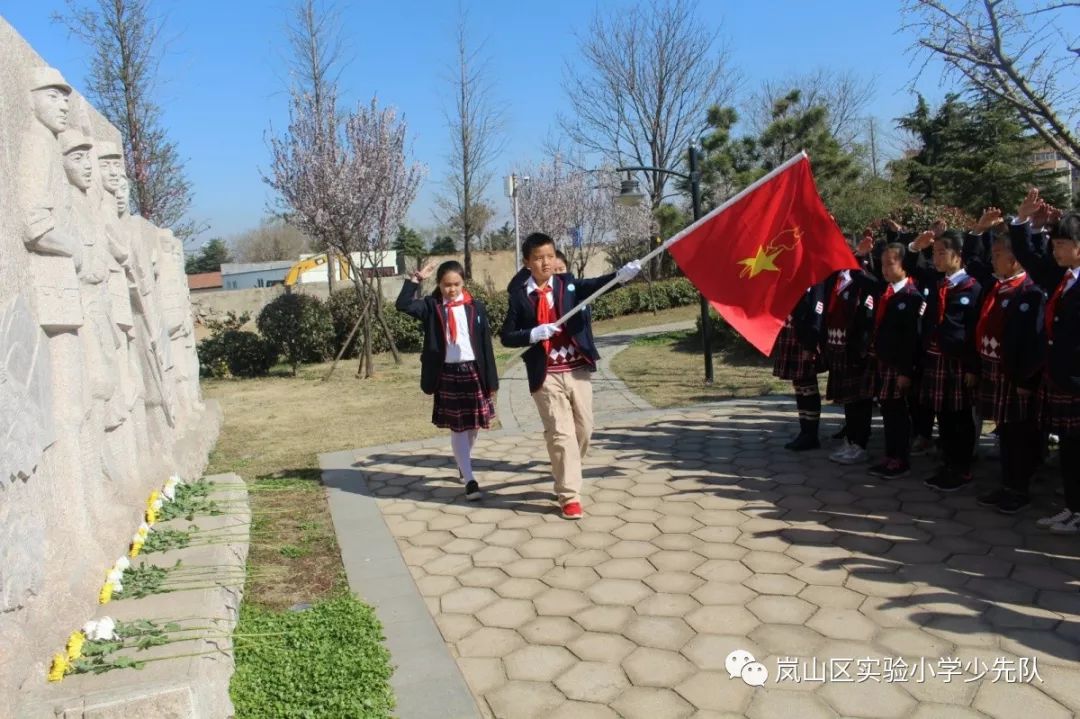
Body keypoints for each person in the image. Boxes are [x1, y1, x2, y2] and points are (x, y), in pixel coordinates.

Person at [500, 232, 641, 519]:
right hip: (545, 374)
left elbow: (598, 285)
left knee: (584, 429)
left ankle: (565, 470)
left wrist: (621, 275)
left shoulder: (568, 285)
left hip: (577, 369)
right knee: (561, 434)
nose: (546, 262)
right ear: (527, 262)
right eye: (539, 258)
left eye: (550, 256)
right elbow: (506, 337)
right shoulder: (519, 297)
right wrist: (532, 333)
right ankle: (569, 495)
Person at [961, 208, 1046, 514]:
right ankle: (1007, 484)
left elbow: (1035, 342)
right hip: (993, 370)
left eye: (997, 254)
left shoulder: (1030, 291)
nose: (992, 259)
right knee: (1005, 434)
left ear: (1015, 259)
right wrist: (978, 232)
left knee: (1019, 436)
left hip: (1015, 376)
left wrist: (1026, 381)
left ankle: (1019, 489)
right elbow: (972, 263)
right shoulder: (996, 285)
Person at [396, 260, 499, 501]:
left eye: (456, 284)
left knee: (473, 426)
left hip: (474, 371)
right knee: (458, 427)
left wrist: (492, 382)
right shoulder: (432, 307)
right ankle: (470, 479)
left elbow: (486, 346)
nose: (451, 289)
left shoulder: (475, 307)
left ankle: (462, 463)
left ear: (463, 283)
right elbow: (402, 305)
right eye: (446, 285)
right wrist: (416, 280)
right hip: (447, 374)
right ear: (439, 285)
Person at [1010, 189, 1080, 533]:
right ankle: (1072, 508)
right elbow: (1029, 257)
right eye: (1054, 244)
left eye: (1062, 244)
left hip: (1077, 383)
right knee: (1070, 451)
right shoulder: (1063, 279)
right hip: (1063, 380)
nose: (1055, 250)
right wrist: (1022, 221)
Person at [907, 229, 983, 491]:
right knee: (944, 417)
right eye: (935, 253)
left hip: (958, 362)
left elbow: (974, 330)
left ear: (957, 256)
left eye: (942, 253)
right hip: (935, 359)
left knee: (960, 418)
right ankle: (948, 463)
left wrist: (973, 366)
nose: (936, 258)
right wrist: (916, 247)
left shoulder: (972, 288)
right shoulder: (937, 283)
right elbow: (910, 268)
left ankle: (962, 469)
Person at [866, 243, 926, 479]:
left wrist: (905, 371)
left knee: (899, 414)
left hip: (898, 366)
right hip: (883, 362)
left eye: (890, 264)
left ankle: (900, 459)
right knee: (888, 412)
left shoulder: (911, 296)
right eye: (882, 264)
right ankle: (890, 456)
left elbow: (912, 339)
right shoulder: (887, 292)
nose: (885, 269)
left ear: (904, 265)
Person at [826, 231, 878, 465]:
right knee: (848, 400)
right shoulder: (836, 277)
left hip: (855, 349)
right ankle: (850, 438)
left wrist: (862, 347)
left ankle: (860, 443)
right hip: (837, 347)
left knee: (860, 400)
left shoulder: (862, 278)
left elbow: (872, 298)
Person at [772, 283, 827, 451]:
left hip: (805, 336)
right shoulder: (793, 276)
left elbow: (817, 311)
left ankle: (811, 434)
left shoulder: (815, 280)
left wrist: (811, 345)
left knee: (808, 385)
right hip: (790, 332)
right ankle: (804, 431)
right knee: (799, 385)